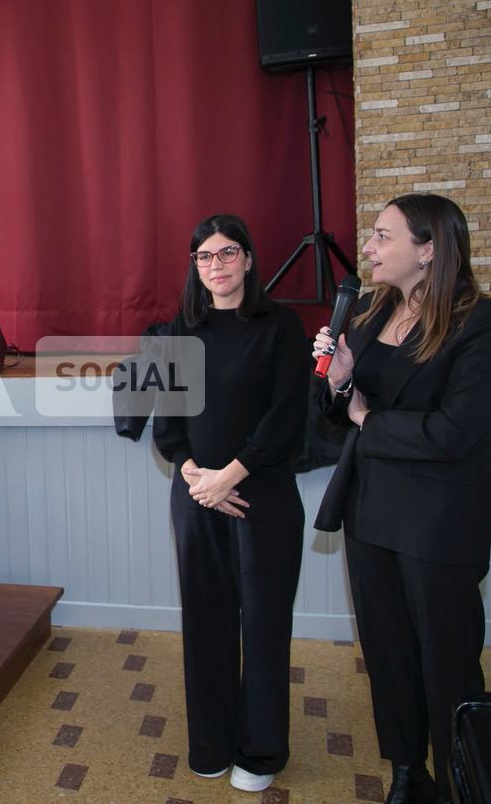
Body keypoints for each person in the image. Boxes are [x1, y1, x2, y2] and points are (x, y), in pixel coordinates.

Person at [312, 194, 491, 804]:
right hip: (370, 508)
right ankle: (406, 771)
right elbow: (338, 415)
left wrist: (370, 418)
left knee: (445, 656)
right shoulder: (371, 312)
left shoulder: (484, 321)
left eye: (382, 236)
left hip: (438, 520)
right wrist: (340, 375)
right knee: (388, 651)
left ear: (428, 250)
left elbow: (454, 432)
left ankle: (458, 779)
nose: (368, 248)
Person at [152, 214, 308, 794]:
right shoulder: (174, 332)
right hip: (195, 497)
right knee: (206, 623)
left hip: (260, 494)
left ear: (247, 259)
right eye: (204, 257)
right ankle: (210, 742)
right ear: (195, 267)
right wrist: (195, 475)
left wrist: (232, 476)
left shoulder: (280, 326)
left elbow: (287, 417)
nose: (215, 266)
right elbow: (165, 424)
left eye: (226, 254)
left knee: (264, 625)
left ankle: (262, 752)